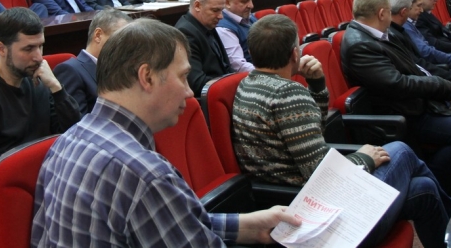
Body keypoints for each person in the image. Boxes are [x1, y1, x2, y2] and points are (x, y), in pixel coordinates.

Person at [31, 18, 301, 246]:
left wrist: (246, 225)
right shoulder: (146, 175)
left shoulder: (67, 140)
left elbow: (165, 220)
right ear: (147, 77)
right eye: (183, 76)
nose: (190, 91)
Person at [233, 14, 451, 248]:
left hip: (292, 202)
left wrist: (316, 85)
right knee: (401, 149)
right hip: (320, 214)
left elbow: (311, 132)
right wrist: (363, 159)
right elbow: (318, 174)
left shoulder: (247, 84)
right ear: (294, 54)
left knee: (424, 189)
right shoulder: (288, 94)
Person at [340, 0, 451, 204]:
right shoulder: (360, 44)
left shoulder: (379, 34)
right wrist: (443, 86)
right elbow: (398, 84)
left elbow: (415, 67)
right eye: (389, 10)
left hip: (417, 102)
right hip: (404, 114)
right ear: (382, 13)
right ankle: (440, 181)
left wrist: (443, 86)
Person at [0, 8, 81, 182]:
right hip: (11, 185)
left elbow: (74, 135)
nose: (38, 57)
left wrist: (57, 88)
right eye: (28, 48)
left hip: (47, 176)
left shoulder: (39, 82)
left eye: (40, 46)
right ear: (1, 49)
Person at [53, 9, 132, 115]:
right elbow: (76, 122)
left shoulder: (121, 71)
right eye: (121, 40)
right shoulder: (70, 70)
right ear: (98, 35)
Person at [175, 0, 233, 95]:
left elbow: (225, 66)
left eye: (222, 10)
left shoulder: (206, 23)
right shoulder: (185, 33)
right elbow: (197, 82)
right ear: (197, 6)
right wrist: (232, 83)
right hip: (210, 98)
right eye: (215, 10)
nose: (221, 16)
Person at [216, 0, 256, 73]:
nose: (251, 5)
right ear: (227, 2)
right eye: (245, 1)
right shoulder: (224, 29)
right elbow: (238, 66)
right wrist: (271, 72)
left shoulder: (249, 17)